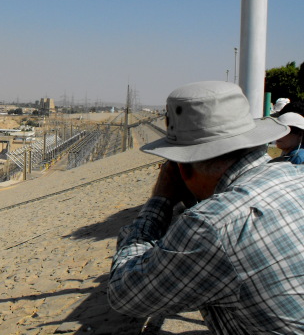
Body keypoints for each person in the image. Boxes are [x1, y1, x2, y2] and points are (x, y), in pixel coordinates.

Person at [108, 81, 304, 334]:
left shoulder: (210, 224)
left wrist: (160, 201)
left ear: (184, 167)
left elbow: (125, 294)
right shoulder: (296, 174)